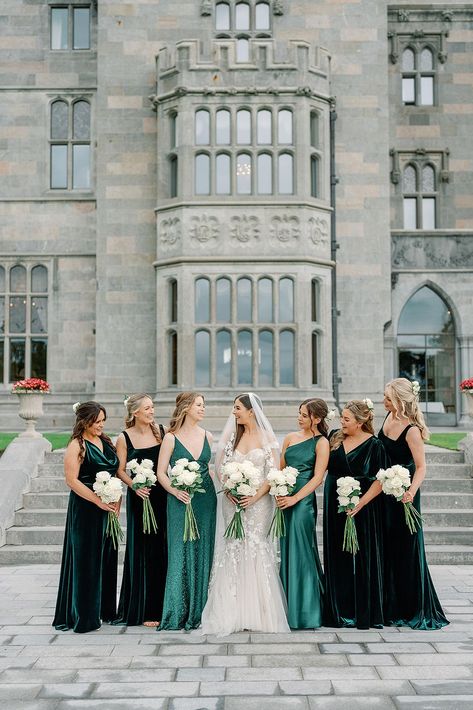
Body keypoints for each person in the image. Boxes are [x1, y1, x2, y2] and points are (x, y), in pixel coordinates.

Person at [201, 392, 289, 635]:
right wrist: (229, 488)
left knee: (255, 546)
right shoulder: (232, 437)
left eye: (238, 407)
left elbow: (273, 474)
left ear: (252, 411)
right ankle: (232, 610)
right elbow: (219, 468)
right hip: (233, 501)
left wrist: (254, 496)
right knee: (234, 547)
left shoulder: (267, 437)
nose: (234, 412)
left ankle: (260, 613)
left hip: (259, 503)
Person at [379, 378, 449, 629]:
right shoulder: (387, 418)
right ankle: (389, 606)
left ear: (398, 400)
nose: (383, 401)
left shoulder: (412, 430)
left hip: (405, 496)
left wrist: (410, 491)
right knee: (386, 548)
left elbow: (421, 467)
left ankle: (411, 607)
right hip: (383, 493)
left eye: (387, 397)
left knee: (406, 549)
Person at [53, 401, 120, 633]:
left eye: (103, 421)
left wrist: (115, 500)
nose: (102, 425)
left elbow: (115, 472)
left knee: (107, 557)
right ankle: (86, 617)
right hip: (86, 507)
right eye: (97, 421)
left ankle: (105, 611)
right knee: (86, 560)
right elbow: (72, 480)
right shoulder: (76, 445)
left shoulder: (105, 441)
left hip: (108, 507)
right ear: (85, 421)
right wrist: (97, 500)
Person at [323, 400, 387, 629]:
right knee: (337, 553)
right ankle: (338, 611)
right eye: (342, 417)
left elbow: (380, 480)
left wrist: (360, 504)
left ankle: (363, 612)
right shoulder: (333, 437)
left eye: (347, 419)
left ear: (360, 422)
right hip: (334, 505)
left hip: (363, 507)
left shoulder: (375, 445)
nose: (342, 421)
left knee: (361, 557)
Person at [157, 392, 216, 630]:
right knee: (179, 551)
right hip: (179, 500)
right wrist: (175, 491)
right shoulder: (170, 438)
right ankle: (176, 611)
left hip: (205, 501)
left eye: (204, 405)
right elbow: (161, 473)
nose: (203, 409)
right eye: (199, 405)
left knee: (204, 552)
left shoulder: (208, 436)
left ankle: (200, 611)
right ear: (186, 408)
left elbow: (209, 469)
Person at [114, 394, 168, 627]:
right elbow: (120, 470)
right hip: (140, 498)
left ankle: (165, 605)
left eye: (153, 407)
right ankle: (145, 609)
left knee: (163, 548)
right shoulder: (124, 438)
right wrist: (135, 485)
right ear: (134, 412)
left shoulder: (163, 432)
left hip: (162, 497)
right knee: (143, 550)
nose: (152, 411)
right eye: (147, 408)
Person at [277, 398, 329, 629]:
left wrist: (295, 498)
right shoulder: (289, 438)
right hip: (284, 499)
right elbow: (279, 469)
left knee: (302, 551)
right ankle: (288, 609)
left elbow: (318, 478)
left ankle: (306, 613)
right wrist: (279, 490)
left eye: (304, 415)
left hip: (303, 502)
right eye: (298, 413)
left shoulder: (321, 443)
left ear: (316, 419)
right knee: (287, 549)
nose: (299, 418)